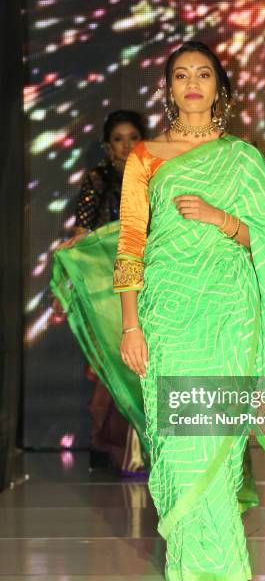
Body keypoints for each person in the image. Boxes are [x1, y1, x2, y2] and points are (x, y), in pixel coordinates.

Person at [114, 41, 265, 581]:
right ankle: (193, 553)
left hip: (228, 312)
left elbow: (263, 240)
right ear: (168, 88)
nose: (191, 83)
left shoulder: (243, 158)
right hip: (169, 311)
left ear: (219, 87)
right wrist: (131, 325)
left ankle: (217, 558)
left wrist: (221, 217)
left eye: (203, 74)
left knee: (215, 431)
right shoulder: (144, 157)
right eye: (180, 75)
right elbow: (130, 247)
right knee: (180, 435)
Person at [53, 110, 148, 474]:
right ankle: (110, 448)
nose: (126, 145)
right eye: (119, 138)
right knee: (109, 366)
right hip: (105, 284)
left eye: (133, 136)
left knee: (143, 366)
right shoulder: (99, 178)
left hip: (143, 279)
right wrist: (71, 254)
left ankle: (147, 451)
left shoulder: (154, 176)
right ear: (108, 146)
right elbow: (84, 229)